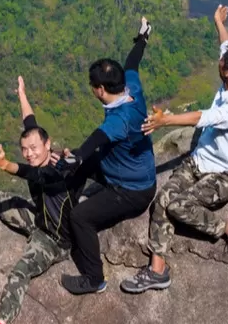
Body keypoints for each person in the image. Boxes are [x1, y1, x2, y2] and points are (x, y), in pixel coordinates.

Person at [123, 5, 228, 293]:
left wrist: (165, 121)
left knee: (178, 206)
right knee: (162, 200)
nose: (219, 59)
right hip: (201, 159)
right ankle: (157, 271)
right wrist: (218, 22)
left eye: (223, 61)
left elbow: (201, 117)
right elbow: (227, 43)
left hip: (226, 173)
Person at [0, 77, 84, 324]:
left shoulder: (58, 169)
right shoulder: (38, 149)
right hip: (37, 219)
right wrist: (22, 94)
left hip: (55, 240)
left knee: (20, 271)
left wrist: (5, 164)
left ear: (49, 145)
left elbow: (32, 174)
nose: (30, 153)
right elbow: (30, 123)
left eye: (35, 148)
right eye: (25, 150)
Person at [58, 17, 159, 296]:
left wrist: (75, 157)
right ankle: (62, 215)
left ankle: (94, 279)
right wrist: (142, 38)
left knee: (81, 217)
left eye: (93, 85)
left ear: (100, 90)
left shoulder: (118, 122)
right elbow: (132, 63)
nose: (92, 89)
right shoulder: (132, 88)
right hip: (130, 170)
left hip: (132, 191)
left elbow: (95, 141)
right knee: (79, 168)